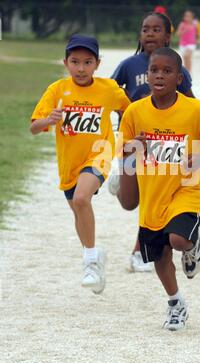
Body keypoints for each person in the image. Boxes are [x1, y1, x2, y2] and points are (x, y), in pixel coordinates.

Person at [116, 47, 200, 330]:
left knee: (178, 240)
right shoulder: (135, 111)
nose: (159, 75)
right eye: (154, 70)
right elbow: (123, 149)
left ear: (179, 78)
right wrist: (133, 148)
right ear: (148, 76)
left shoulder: (195, 109)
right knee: (160, 255)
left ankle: (192, 244)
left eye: (167, 71)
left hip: (185, 188)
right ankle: (176, 303)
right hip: (153, 193)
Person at [30, 34, 130, 293]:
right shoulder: (57, 90)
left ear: (97, 63)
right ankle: (95, 255)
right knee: (78, 209)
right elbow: (33, 127)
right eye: (75, 62)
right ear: (65, 63)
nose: (81, 68)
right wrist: (48, 120)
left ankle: (89, 262)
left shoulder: (108, 89)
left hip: (100, 153)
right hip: (69, 163)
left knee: (81, 199)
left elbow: (129, 111)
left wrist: (129, 142)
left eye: (88, 62)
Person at [110, 11, 194, 273]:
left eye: (156, 30)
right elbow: (109, 92)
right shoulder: (129, 65)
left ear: (168, 36)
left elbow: (191, 101)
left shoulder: (176, 67)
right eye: (145, 29)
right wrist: (125, 107)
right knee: (128, 201)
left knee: (151, 196)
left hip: (162, 143)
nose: (149, 34)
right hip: (134, 137)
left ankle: (140, 251)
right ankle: (120, 178)